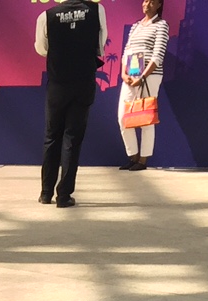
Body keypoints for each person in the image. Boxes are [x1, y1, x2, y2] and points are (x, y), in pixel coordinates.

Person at [34, 0, 106, 208]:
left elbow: (41, 49)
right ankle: (64, 195)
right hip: (83, 83)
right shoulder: (97, 10)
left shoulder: (46, 16)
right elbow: (100, 45)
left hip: (57, 84)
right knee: (72, 139)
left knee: (51, 137)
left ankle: (45, 193)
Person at [118, 0, 168, 170]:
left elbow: (157, 55)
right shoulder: (135, 26)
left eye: (151, 2)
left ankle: (143, 160)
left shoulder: (161, 25)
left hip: (150, 77)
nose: (146, 4)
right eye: (145, 0)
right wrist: (123, 73)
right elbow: (126, 52)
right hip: (130, 76)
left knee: (146, 118)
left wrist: (143, 76)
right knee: (123, 117)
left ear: (158, 5)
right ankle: (133, 156)